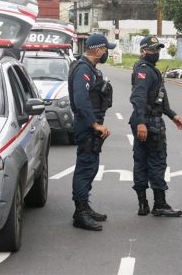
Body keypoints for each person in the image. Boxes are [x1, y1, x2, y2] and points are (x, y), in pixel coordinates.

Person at [129, 35, 182, 217]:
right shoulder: (144, 71)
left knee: (142, 160)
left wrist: (172, 115)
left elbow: (159, 98)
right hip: (149, 122)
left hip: (148, 120)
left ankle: (144, 204)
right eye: (153, 49)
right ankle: (157, 204)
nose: (156, 53)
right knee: (156, 161)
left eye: (158, 49)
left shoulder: (151, 70)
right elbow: (138, 98)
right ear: (143, 51)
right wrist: (142, 123)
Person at [68, 33, 115, 231]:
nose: (106, 53)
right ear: (97, 49)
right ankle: (80, 212)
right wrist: (95, 125)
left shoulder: (90, 69)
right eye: (105, 50)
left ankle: (85, 206)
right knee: (85, 167)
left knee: (91, 166)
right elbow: (81, 100)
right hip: (86, 126)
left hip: (90, 125)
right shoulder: (83, 70)